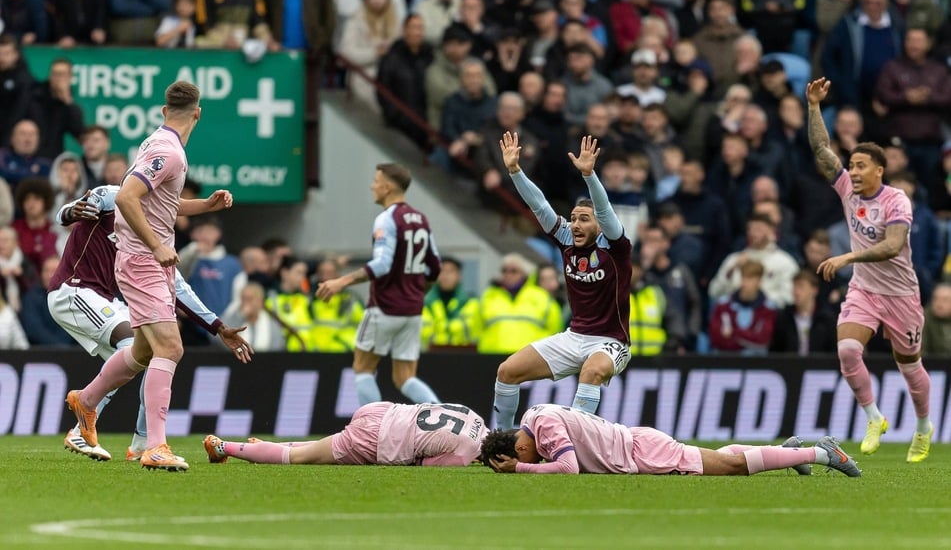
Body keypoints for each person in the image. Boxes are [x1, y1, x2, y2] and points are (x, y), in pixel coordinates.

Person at [64, 81, 253, 471]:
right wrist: (157, 245)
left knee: (144, 351)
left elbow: (157, 202)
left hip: (144, 262)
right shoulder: (168, 151)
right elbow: (126, 198)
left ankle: (87, 399)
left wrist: (204, 205)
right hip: (143, 261)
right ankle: (155, 445)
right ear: (197, 114)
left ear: (164, 111)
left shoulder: (158, 145)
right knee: (172, 348)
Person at [51, 184, 249, 461]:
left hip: (104, 299)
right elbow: (64, 214)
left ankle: (141, 443)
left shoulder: (155, 236)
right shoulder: (112, 195)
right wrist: (72, 210)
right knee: (136, 345)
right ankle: (82, 425)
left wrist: (218, 326)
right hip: (73, 291)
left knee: (148, 355)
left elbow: (179, 289)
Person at [805, 77, 933, 463]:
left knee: (909, 366)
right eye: (853, 166)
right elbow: (822, 149)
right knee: (846, 350)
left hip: (901, 295)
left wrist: (846, 258)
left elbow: (893, 247)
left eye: (862, 166)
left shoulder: (897, 200)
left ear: (881, 169)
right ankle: (874, 417)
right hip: (864, 291)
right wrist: (814, 106)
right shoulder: (847, 189)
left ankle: (924, 426)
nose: (854, 172)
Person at [492, 133, 632, 429]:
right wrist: (515, 171)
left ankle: (577, 443)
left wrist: (589, 176)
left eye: (584, 219)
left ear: (599, 226)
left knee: (592, 372)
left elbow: (605, 210)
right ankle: (500, 440)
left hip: (611, 342)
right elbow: (540, 206)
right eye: (573, 218)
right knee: (507, 371)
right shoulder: (567, 239)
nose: (576, 224)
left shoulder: (615, 246)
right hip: (574, 337)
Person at [315, 163, 441, 407]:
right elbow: (434, 266)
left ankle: (372, 428)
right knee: (405, 378)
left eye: (376, 181)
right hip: (412, 310)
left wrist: (342, 280)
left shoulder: (387, 218)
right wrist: (416, 293)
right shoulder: (421, 219)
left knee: (363, 368)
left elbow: (383, 264)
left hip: (384, 307)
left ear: (388, 186)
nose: (372, 186)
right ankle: (444, 419)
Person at [481, 403, 861, 477]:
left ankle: (821, 452)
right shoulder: (535, 416)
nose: (536, 458)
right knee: (719, 457)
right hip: (638, 445)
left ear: (517, 447)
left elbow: (568, 467)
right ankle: (787, 452)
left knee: (729, 468)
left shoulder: (543, 425)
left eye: (521, 456)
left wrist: (521, 470)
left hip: (642, 453)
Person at [203, 401, 486, 466]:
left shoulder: (474, 414)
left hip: (381, 410)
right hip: (379, 439)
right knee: (300, 457)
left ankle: (264, 445)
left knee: (321, 446)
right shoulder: (466, 454)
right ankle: (223, 446)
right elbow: (424, 464)